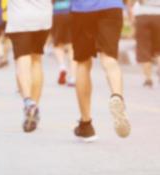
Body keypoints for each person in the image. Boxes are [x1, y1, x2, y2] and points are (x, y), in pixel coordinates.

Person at [71, 0, 131, 142]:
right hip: (112, 6)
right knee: (109, 59)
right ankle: (117, 96)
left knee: (83, 63)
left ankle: (86, 125)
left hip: (82, 9)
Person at [6, 0, 53, 133]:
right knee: (36, 60)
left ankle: (28, 102)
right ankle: (35, 106)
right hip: (43, 16)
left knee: (23, 59)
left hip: (20, 17)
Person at [127, 0, 160, 88]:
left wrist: (131, 17)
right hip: (159, 16)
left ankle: (148, 79)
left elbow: (131, 2)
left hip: (142, 16)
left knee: (143, 47)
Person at [52, 0, 76, 87]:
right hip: (71, 12)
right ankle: (72, 77)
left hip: (57, 13)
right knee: (71, 47)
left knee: (57, 45)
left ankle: (62, 66)